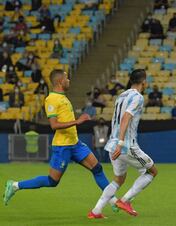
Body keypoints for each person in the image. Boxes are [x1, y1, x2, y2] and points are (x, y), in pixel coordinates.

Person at [3, 69, 118, 211]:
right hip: (62, 146)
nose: (69, 80)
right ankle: (15, 186)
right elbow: (54, 125)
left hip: (75, 143)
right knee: (52, 181)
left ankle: (113, 202)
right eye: (66, 78)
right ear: (59, 81)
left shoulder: (63, 97)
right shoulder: (51, 99)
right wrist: (77, 121)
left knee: (97, 168)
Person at [88, 69, 158, 219]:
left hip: (112, 144)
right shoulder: (138, 97)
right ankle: (125, 201)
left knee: (118, 179)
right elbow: (126, 117)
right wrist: (121, 143)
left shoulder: (121, 95)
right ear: (143, 82)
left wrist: (117, 143)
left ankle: (96, 211)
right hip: (125, 145)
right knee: (152, 171)